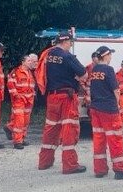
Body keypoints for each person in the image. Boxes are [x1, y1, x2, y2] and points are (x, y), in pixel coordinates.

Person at [36, 31, 88, 174]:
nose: (71, 45)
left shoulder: (47, 55)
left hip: (52, 97)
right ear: (65, 42)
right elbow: (84, 74)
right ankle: (70, 165)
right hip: (66, 97)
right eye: (71, 42)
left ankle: (44, 162)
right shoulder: (67, 56)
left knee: (51, 129)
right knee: (69, 129)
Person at [89, 46, 123, 180]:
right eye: (110, 55)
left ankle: (100, 169)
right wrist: (117, 105)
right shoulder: (108, 70)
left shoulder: (94, 70)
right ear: (106, 56)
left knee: (99, 138)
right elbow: (116, 90)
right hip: (108, 109)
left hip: (95, 108)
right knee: (115, 138)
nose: (111, 57)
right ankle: (120, 170)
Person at [5, 54, 37, 149]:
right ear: (23, 62)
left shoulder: (30, 73)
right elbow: (10, 84)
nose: (31, 63)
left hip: (29, 100)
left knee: (25, 121)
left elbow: (31, 86)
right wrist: (16, 95)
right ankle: (17, 141)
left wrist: (32, 93)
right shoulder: (16, 72)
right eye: (29, 61)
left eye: (31, 61)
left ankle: (21, 137)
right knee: (19, 120)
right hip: (19, 100)